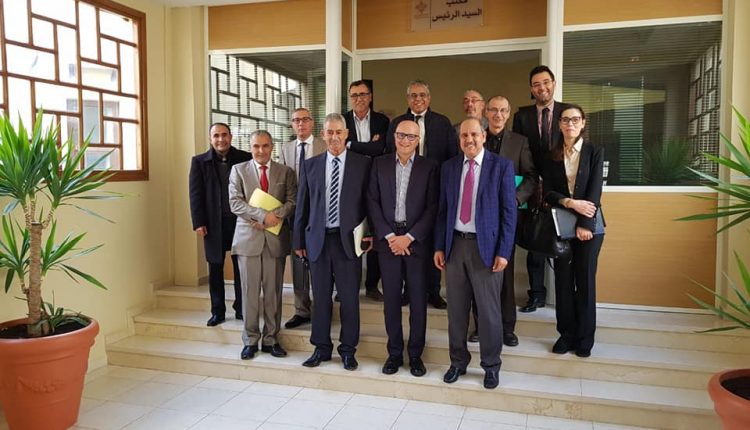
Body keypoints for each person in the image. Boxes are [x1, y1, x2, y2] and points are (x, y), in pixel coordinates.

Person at [434, 118, 517, 390]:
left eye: (473, 134)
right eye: (463, 136)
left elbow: (509, 213)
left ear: (483, 135)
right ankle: (458, 362)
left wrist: (504, 251)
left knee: (489, 312)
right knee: (456, 312)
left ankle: (491, 365)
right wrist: (439, 246)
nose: (468, 140)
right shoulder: (449, 167)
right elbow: (443, 211)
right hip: (455, 246)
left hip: (487, 249)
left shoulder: (501, 166)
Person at [293, 113, 372, 371]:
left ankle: (348, 350)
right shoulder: (311, 165)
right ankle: (321, 348)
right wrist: (298, 240)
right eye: (330, 132)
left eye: (339, 132)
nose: (334, 137)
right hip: (318, 241)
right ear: (323, 135)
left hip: (347, 241)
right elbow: (302, 206)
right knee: (321, 298)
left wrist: (369, 233)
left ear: (347, 134)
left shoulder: (362, 164)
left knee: (349, 299)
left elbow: (369, 202)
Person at [367, 120, 438, 377]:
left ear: (418, 140)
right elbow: (372, 201)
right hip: (388, 242)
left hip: (415, 243)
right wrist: (389, 236)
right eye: (401, 135)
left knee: (418, 301)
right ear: (394, 136)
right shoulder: (380, 164)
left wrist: (409, 237)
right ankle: (394, 353)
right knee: (391, 301)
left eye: (411, 136)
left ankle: (416, 355)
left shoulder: (430, 167)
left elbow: (433, 206)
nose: (405, 140)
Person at [467, 95, 538, 346]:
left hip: (507, 217)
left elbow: (531, 176)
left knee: (504, 272)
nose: (498, 115)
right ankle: (480, 325)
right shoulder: (476, 136)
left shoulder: (519, 142)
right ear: (486, 112)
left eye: (503, 111)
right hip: (478, 217)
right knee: (479, 273)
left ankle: (507, 328)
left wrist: (515, 199)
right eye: (494, 110)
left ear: (508, 114)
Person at [386, 79, 458, 309]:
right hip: (404, 187)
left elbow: (451, 156)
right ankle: (408, 290)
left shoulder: (442, 122)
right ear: (408, 99)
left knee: (431, 239)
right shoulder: (397, 123)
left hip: (434, 187)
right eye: (413, 95)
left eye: (422, 95)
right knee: (408, 237)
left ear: (429, 98)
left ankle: (433, 291)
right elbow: (389, 154)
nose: (418, 99)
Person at [542, 104, 605, 358]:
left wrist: (585, 224)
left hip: (589, 228)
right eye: (566, 120)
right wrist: (569, 202)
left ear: (583, 123)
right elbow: (548, 193)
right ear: (559, 124)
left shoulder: (594, 151)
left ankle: (585, 338)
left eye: (575, 119)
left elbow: (595, 190)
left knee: (585, 281)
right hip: (562, 228)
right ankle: (566, 334)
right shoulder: (552, 155)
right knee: (563, 282)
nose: (570, 124)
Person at [229, 130, 296, 360]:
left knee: (273, 293)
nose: (261, 151)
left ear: (272, 147)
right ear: (250, 147)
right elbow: (235, 203)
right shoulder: (238, 170)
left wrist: (273, 216)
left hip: (274, 239)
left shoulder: (285, 172)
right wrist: (261, 216)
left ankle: (271, 339)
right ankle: (250, 340)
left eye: (265, 146)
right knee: (249, 293)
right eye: (256, 146)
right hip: (248, 239)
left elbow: (292, 201)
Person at [512, 65, 570, 313]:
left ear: (553, 83)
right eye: (536, 84)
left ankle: (565, 297)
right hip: (533, 186)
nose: (542, 88)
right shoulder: (522, 116)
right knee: (535, 238)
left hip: (562, 187)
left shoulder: (567, 112)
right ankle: (536, 294)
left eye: (546, 82)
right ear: (531, 89)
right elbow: (518, 151)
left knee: (564, 240)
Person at [189, 122, 251, 327]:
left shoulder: (245, 158)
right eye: (216, 136)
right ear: (210, 139)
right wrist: (198, 222)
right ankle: (218, 311)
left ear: (231, 137)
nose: (220, 139)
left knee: (241, 267)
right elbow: (195, 194)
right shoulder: (199, 162)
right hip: (213, 224)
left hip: (240, 222)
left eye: (224, 135)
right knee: (215, 268)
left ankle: (242, 308)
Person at [344, 80, 391, 302]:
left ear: (370, 97)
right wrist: (368, 146)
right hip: (350, 182)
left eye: (363, 94)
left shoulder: (382, 121)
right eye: (354, 95)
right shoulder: (342, 120)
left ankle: (372, 285)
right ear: (350, 98)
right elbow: (340, 149)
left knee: (375, 231)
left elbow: (380, 148)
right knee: (348, 232)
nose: (359, 99)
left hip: (375, 182)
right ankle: (348, 285)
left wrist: (351, 144)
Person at [278, 108, 326, 329]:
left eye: (305, 119)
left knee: (319, 263)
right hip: (294, 213)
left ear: (312, 122)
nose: (301, 124)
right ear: (292, 124)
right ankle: (301, 310)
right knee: (297, 263)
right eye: (296, 120)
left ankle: (322, 309)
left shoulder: (323, 145)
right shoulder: (286, 148)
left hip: (318, 212)